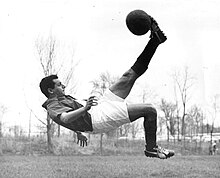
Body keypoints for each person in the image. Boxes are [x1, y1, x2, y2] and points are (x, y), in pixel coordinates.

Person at [40, 16, 175, 159]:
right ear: (50, 90)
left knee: (128, 75)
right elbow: (65, 118)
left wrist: (78, 131)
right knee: (149, 110)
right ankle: (151, 148)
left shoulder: (60, 99)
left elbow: (67, 119)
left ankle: (155, 40)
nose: (64, 85)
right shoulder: (52, 105)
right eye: (60, 85)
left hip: (100, 106)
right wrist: (85, 109)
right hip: (97, 119)